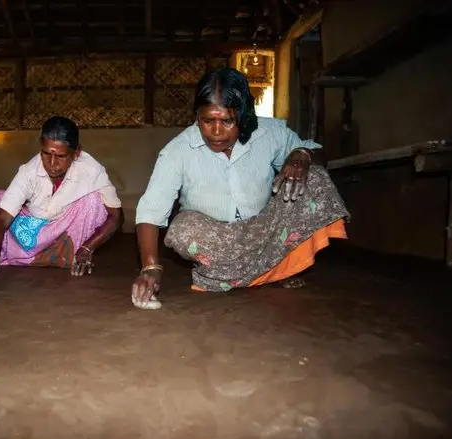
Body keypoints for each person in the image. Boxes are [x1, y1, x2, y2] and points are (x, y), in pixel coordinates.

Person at [131, 67, 350, 309]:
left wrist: (301, 154)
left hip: (266, 229)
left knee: (315, 177)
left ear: (243, 114)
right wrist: (150, 267)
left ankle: (276, 268)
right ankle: (269, 272)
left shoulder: (270, 132)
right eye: (207, 120)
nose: (216, 131)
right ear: (197, 116)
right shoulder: (177, 151)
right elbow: (151, 209)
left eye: (227, 120)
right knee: (182, 230)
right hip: (219, 240)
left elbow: (316, 150)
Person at [0, 116, 123, 292]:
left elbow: (116, 216)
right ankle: (36, 255)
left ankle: (73, 254)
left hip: (68, 232)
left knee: (94, 200)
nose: (52, 163)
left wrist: (88, 248)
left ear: (76, 153)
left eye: (61, 156)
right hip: (35, 233)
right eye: (46, 154)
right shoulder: (29, 171)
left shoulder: (93, 171)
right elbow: (3, 217)